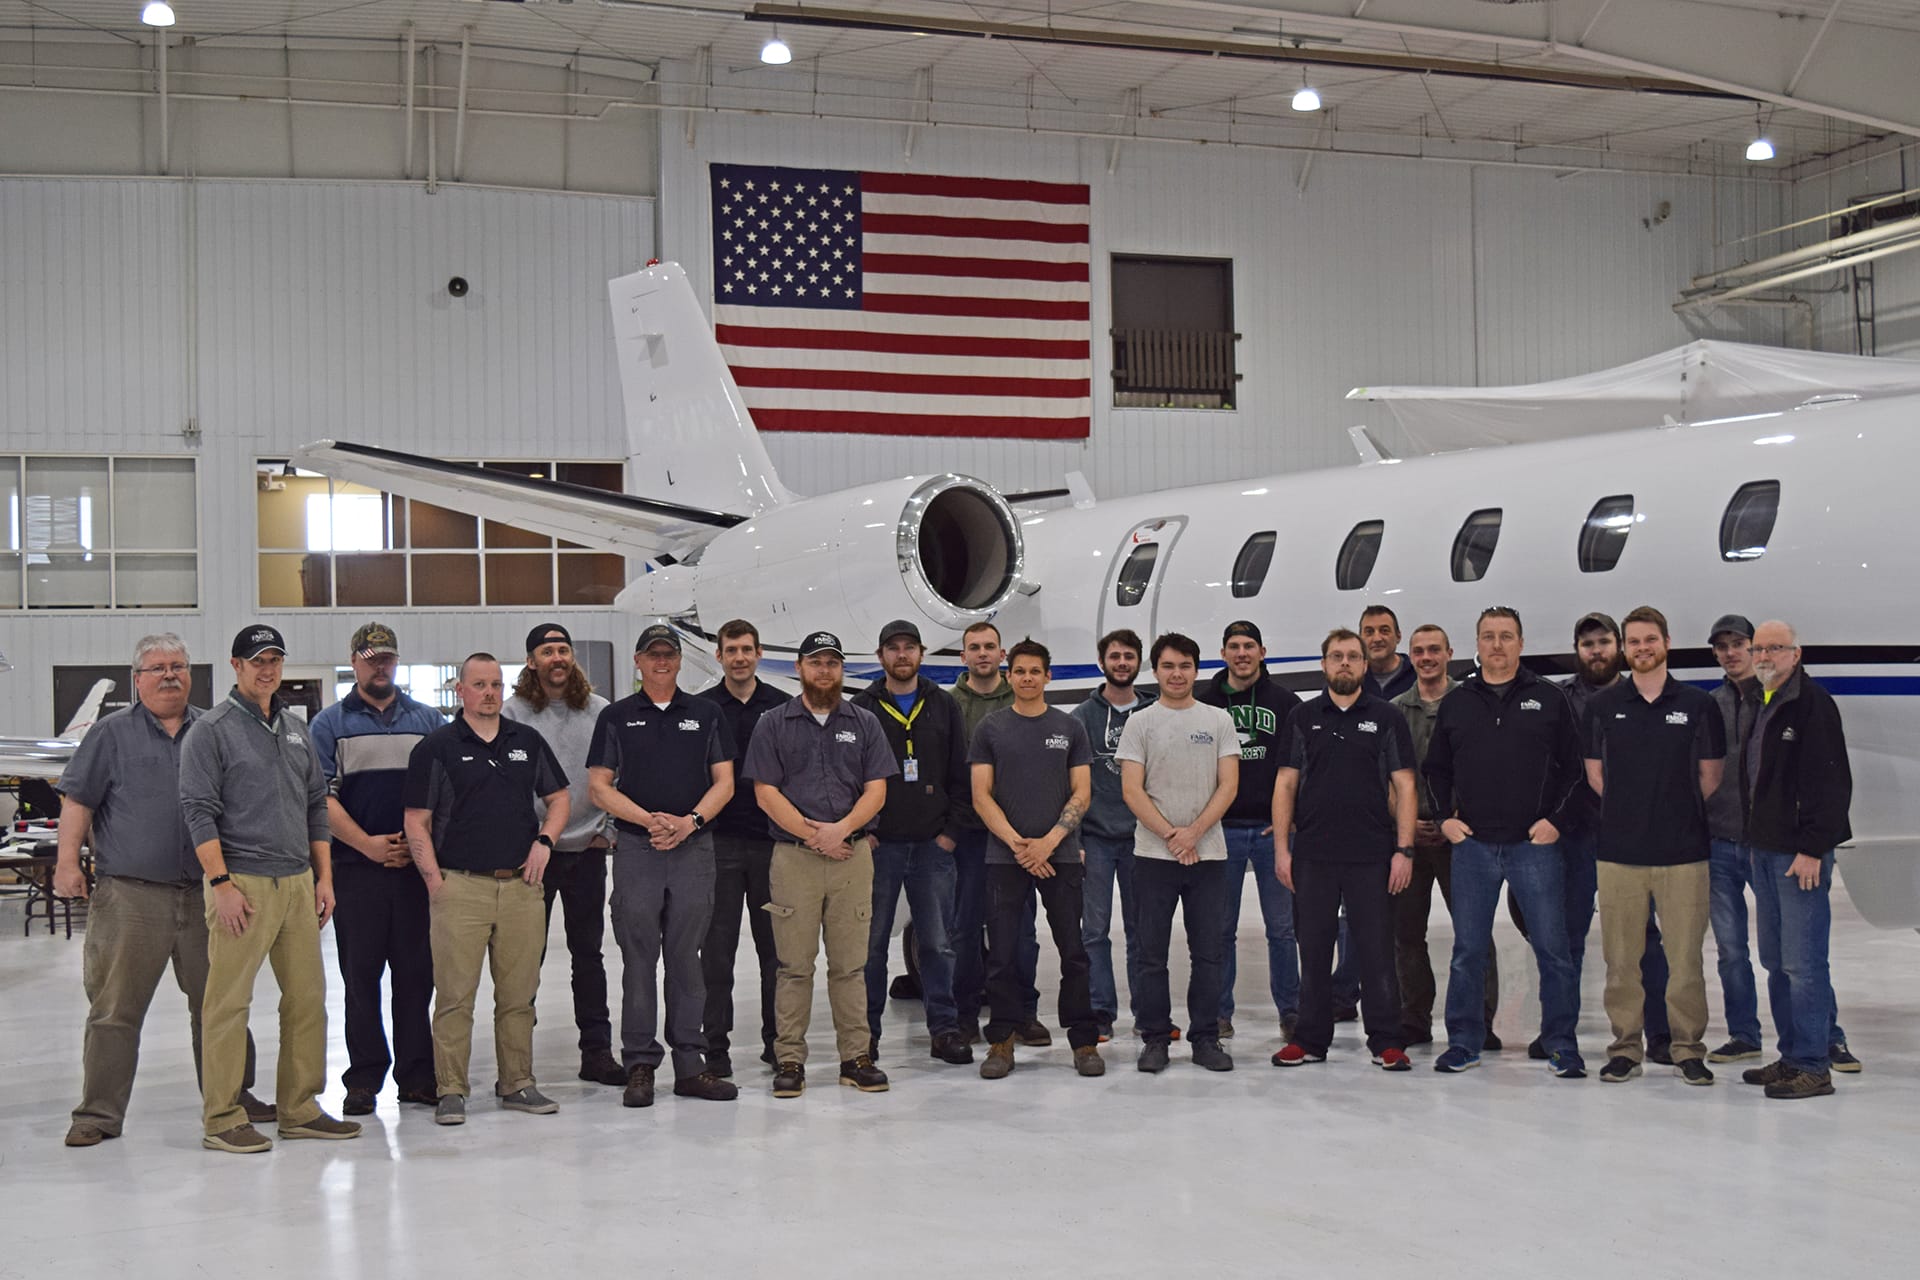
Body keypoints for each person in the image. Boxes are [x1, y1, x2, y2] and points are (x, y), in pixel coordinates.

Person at [55, 635, 272, 1147]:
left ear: (191, 674)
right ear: (138, 678)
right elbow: (78, 802)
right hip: (131, 897)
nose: (169, 675)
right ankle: (98, 1113)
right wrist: (67, 863)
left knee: (220, 1003)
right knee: (114, 1008)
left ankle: (234, 1097)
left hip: (208, 893)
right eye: (157, 668)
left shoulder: (218, 729)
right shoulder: (109, 734)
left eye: (178, 666)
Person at [179, 625, 358, 1154]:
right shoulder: (210, 732)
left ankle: (299, 1108)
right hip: (243, 883)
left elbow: (315, 808)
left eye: (276, 660)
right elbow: (198, 812)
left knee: (307, 999)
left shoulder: (294, 729)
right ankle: (223, 1117)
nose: (268, 669)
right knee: (227, 1004)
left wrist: (323, 877)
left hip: (298, 882)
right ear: (236, 666)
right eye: (257, 660)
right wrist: (222, 884)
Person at [402, 654, 570, 1126]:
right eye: (479, 685)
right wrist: (435, 881)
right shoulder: (436, 748)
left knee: (519, 995)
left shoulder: (527, 742)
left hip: (521, 889)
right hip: (461, 889)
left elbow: (559, 798)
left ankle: (517, 1081)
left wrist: (544, 842)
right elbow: (416, 820)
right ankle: (451, 1087)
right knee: (455, 996)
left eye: (496, 684)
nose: (490, 692)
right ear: (460, 691)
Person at [1423, 607, 1585, 1079]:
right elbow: (1435, 769)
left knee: (1553, 949)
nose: (1497, 645)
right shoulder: (1457, 702)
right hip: (1472, 846)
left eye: (1506, 636)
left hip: (1533, 847)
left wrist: (1555, 821)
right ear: (1477, 643)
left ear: (1520, 642)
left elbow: (1573, 772)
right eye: (1489, 637)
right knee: (1468, 950)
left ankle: (1561, 1044)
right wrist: (1443, 819)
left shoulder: (1550, 699)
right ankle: (1464, 1042)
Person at [587, 624, 738, 1107]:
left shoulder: (707, 714)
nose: (661, 662)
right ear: (638, 661)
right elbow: (600, 786)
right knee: (638, 959)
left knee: (686, 958)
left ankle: (691, 1065)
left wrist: (688, 822)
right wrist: (650, 821)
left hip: (693, 850)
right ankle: (639, 1064)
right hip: (638, 851)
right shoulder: (615, 717)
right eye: (652, 655)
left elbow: (725, 782)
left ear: (678, 661)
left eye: (668, 655)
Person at [743, 631, 896, 1097]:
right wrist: (815, 835)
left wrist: (840, 829)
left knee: (851, 966)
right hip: (793, 860)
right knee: (794, 966)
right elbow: (765, 792)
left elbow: (877, 789)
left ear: (842, 669)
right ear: (799, 669)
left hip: (852, 858)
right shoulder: (773, 723)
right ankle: (789, 1060)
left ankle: (856, 1057)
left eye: (832, 662)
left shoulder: (865, 722)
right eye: (816, 663)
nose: (824, 671)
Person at [308, 621, 445, 1116]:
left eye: (387, 657)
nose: (379, 665)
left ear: (397, 660)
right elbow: (321, 797)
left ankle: (417, 1076)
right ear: (354, 662)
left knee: (416, 977)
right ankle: (364, 1078)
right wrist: (366, 845)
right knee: (360, 977)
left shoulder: (429, 721)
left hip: (414, 873)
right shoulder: (328, 725)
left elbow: (441, 796)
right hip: (357, 870)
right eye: (370, 658)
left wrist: (418, 848)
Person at [1585, 605, 1725, 1086]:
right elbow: (1596, 775)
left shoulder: (1698, 705)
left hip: (1684, 853)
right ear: (1624, 649)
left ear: (1666, 642)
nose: (1642, 648)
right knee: (1621, 962)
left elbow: (1710, 776)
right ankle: (1625, 1047)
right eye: (1633, 641)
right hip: (1620, 854)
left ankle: (1687, 1048)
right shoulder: (1603, 706)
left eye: (1650, 639)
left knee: (1684, 960)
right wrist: (1633, 809)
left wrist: (1668, 808)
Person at [1272, 629, 1416, 1071]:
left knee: (1375, 952)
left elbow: (1405, 785)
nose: (1345, 664)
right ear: (1324, 664)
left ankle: (1386, 1041)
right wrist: (1282, 849)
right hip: (1313, 854)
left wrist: (1404, 850)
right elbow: (1285, 783)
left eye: (1353, 656)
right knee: (1313, 950)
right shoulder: (1302, 716)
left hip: (1372, 854)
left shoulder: (1387, 717)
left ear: (1364, 664)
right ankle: (1310, 1040)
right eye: (1337, 656)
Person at [1531, 611, 1672, 1064]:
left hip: (1630, 836)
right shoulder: (1558, 698)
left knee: (1643, 938)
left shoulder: (1642, 694)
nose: (1596, 651)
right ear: (1577, 650)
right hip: (1573, 835)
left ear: (1619, 648)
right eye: (1587, 643)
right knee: (1565, 937)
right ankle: (1557, 1033)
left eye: (1604, 642)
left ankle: (1661, 1034)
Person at [969, 639, 1104, 1079]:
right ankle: (1002, 1041)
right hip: (1006, 858)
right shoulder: (990, 728)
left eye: (1035, 671)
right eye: (1020, 671)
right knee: (1003, 954)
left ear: (1049, 677)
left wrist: (1050, 841)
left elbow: (1082, 792)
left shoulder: (1070, 727)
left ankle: (1084, 1041)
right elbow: (980, 796)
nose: (1027, 678)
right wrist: (1019, 846)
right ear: (1010, 676)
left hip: (1060, 855)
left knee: (1074, 952)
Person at [504, 622, 623, 1089]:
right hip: (532, 857)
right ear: (531, 661)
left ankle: (596, 1051)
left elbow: (623, 775)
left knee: (588, 956)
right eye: (547, 651)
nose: (557, 658)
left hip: (586, 852)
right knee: (524, 959)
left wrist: (608, 830)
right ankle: (518, 1060)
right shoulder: (512, 713)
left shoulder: (601, 713)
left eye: (564, 650)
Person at [1742, 619, 1856, 1099]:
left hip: (1798, 858)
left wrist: (1812, 848)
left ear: (1797, 653)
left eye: (1776, 648)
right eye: (1760, 648)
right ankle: (1791, 1057)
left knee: (1805, 963)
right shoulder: (1763, 701)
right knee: (1775, 960)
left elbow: (1832, 785)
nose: (1765, 656)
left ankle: (1814, 1064)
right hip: (1764, 853)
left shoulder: (1813, 705)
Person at [850, 619, 971, 1065]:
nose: (902, 655)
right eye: (893, 648)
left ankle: (944, 1031)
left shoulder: (943, 705)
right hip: (880, 848)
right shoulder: (862, 708)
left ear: (922, 654)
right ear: (881, 656)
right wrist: (865, 832)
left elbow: (961, 774)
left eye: (910, 648)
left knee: (938, 944)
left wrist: (950, 834)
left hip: (932, 847)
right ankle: (866, 1037)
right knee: (872, 946)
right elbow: (851, 779)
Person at [1118, 632, 1240, 1073]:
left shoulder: (1217, 720)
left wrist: (1195, 834)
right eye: (1168, 666)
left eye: (1185, 666)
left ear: (1196, 669)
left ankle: (1206, 1038)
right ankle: (1155, 1038)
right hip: (1153, 855)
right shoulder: (1140, 723)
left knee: (1209, 952)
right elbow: (1131, 789)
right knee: (1151, 952)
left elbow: (1229, 784)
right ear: (1156, 670)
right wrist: (1173, 834)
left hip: (1208, 856)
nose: (1176, 673)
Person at [1388, 624, 1499, 1048]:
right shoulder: (1395, 710)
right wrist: (1404, 823)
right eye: (1419, 650)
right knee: (1406, 934)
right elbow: (1387, 778)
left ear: (1450, 652)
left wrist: (1458, 818)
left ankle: (1480, 1020)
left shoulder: (1471, 704)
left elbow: (1485, 769)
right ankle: (1414, 1018)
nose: (1427, 657)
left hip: (1461, 837)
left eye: (1435, 649)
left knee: (1474, 934)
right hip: (1409, 838)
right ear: (1410, 656)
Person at [1197, 620, 1302, 1043]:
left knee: (1282, 929)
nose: (1242, 653)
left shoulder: (1286, 702)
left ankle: (1292, 1012)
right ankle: (1220, 1013)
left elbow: (1301, 766)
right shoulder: (1203, 703)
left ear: (1263, 652)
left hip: (1269, 832)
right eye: (1234, 646)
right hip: (1220, 831)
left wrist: (1292, 818)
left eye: (1249, 646)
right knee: (1221, 929)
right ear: (1223, 654)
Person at [695, 620, 787, 1077]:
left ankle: (778, 1042)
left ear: (759, 652)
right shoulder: (704, 709)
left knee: (777, 952)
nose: (739, 657)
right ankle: (716, 1048)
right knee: (717, 953)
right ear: (719, 656)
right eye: (731, 649)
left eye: (747, 649)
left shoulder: (783, 707)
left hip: (774, 847)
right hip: (720, 845)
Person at [948, 621, 1044, 1046]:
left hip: (1019, 838)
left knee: (1021, 931)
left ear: (1002, 656)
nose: (982, 653)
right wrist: (947, 829)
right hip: (967, 836)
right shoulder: (948, 704)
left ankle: (1024, 1013)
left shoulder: (1025, 699)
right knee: (965, 930)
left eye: (990, 646)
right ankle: (965, 1015)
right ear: (963, 655)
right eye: (974, 647)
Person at [1069, 629, 1155, 1042]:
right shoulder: (1081, 718)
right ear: (1102, 662)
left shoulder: (1154, 714)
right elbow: (1071, 784)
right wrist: (1077, 840)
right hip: (1098, 840)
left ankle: (1148, 1014)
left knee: (1144, 931)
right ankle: (1101, 1011)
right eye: (1115, 656)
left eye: (1129, 656)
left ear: (1139, 663)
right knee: (1094, 932)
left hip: (1144, 840)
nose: (1122, 662)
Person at [1702, 613, 1767, 1063]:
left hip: (1769, 844)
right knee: (1730, 950)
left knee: (1789, 952)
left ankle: (1825, 1036)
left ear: (1754, 647)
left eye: (1738, 643)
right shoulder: (1710, 705)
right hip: (1720, 843)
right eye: (1722, 646)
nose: (1730, 653)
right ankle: (1744, 1034)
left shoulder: (1778, 699)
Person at [1360, 605, 1415, 701]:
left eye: (1384, 631)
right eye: (1369, 632)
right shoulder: (1351, 678)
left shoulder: (1417, 674)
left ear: (1398, 636)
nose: (1377, 639)